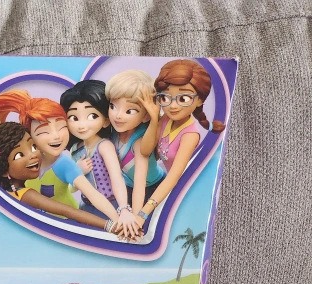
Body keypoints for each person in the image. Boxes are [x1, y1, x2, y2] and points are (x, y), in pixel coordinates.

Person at [0, 89, 136, 238]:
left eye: (62, 127)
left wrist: (119, 222)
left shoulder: (64, 163)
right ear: (29, 134)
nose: (56, 137)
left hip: (68, 224)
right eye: (43, 132)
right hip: (43, 228)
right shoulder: (28, 161)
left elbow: (92, 196)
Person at [0, 122, 123, 235]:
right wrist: (109, 225)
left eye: (33, 147)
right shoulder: (24, 194)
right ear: (4, 170)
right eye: (19, 155)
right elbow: (68, 211)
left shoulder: (6, 192)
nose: (33, 155)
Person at [135, 59, 226, 225]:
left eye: (183, 98)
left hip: (187, 191)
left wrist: (144, 212)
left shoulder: (190, 135)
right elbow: (145, 151)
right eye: (165, 97)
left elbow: (174, 177)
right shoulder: (165, 119)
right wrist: (154, 119)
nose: (173, 106)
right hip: (167, 187)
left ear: (199, 100)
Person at [60, 80, 139, 238]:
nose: (81, 125)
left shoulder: (104, 146)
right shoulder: (75, 150)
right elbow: (72, 188)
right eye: (74, 117)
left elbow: (116, 178)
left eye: (92, 116)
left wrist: (124, 209)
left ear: (106, 121)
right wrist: (78, 172)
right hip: (86, 207)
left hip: (111, 206)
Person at [105, 70, 164, 219]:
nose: (118, 115)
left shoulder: (138, 142)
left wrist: (138, 217)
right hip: (127, 186)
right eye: (113, 106)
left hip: (151, 188)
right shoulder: (113, 130)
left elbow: (140, 183)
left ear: (146, 116)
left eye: (130, 111)